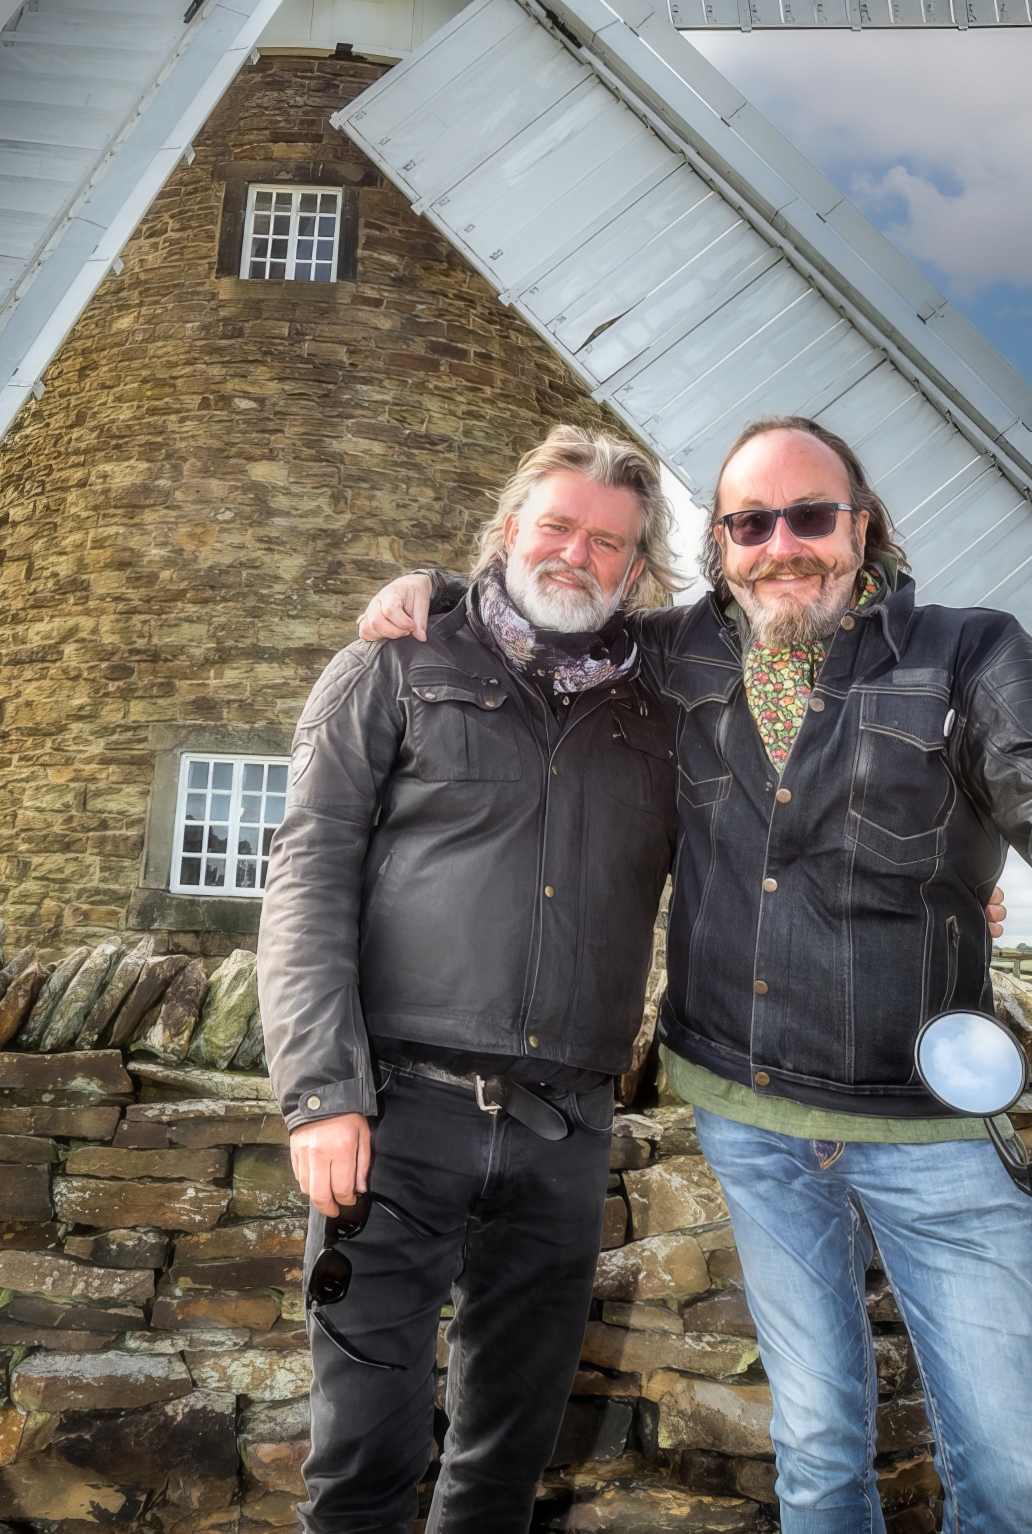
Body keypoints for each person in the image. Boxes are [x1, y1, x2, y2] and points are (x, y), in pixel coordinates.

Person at [360, 413, 1032, 1534]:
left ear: (862, 527)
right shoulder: (677, 651)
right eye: (751, 522)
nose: (781, 545)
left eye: (811, 516)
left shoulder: (971, 655)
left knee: (1017, 1475)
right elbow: (558, 601)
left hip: (929, 1123)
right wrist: (443, 592)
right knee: (816, 1447)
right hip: (749, 1118)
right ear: (720, 542)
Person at [258, 426, 684, 1534]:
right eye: (556, 525)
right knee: (361, 1459)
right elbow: (306, 875)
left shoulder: (667, 708)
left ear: (636, 568)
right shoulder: (391, 663)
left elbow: (780, 801)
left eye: (607, 541)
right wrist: (321, 1093)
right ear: (507, 530)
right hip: (394, 1117)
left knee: (503, 1465)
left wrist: (946, 884)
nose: (576, 554)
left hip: (565, 1129)